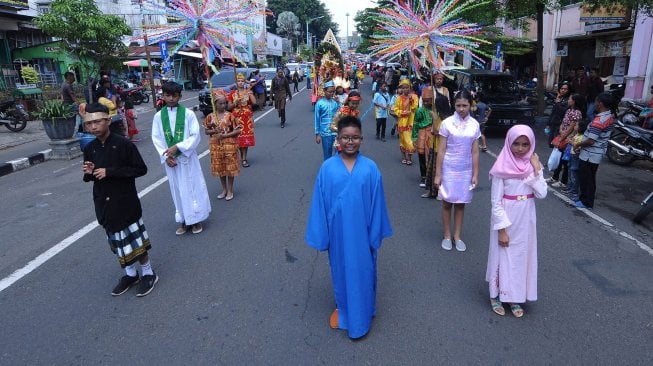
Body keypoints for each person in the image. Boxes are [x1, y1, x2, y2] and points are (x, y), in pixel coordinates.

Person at [305, 115, 393, 339]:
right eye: (345, 137)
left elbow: (377, 204)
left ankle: (365, 309)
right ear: (338, 139)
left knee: (365, 271)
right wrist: (322, 236)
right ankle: (343, 309)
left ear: (362, 139)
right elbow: (319, 205)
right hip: (339, 235)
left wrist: (374, 235)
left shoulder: (371, 169)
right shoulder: (327, 169)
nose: (350, 142)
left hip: (363, 234)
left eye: (355, 138)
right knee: (341, 270)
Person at [81, 103, 158, 297]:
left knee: (135, 242)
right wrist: (89, 172)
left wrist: (110, 171)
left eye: (97, 122)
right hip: (104, 203)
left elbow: (140, 169)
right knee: (117, 242)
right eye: (89, 124)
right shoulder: (90, 148)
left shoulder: (124, 144)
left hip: (125, 201)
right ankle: (130, 274)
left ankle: (148, 272)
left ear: (108, 121)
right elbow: (91, 176)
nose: (93, 127)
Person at [486, 125, 547, 318]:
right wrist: (502, 229)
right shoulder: (501, 167)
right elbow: (495, 202)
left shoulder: (532, 166)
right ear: (509, 143)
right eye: (516, 144)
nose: (520, 149)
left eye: (525, 144)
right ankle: (496, 294)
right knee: (502, 253)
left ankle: (514, 296)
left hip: (526, 217)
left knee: (521, 256)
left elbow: (542, 193)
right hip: (506, 216)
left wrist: (536, 170)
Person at [152, 81, 211, 234]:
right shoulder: (159, 116)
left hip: (187, 158)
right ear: (163, 96)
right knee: (177, 189)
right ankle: (184, 220)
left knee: (192, 187)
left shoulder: (188, 114)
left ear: (179, 96)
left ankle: (196, 219)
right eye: (167, 95)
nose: (171, 98)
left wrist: (178, 147)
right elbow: (156, 138)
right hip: (171, 161)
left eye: (174, 95)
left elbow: (195, 135)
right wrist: (165, 157)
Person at [434, 90, 480, 252]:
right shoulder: (446, 123)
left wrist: (475, 173)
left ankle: (457, 236)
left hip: (465, 169)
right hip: (448, 167)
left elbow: (475, 151)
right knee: (447, 203)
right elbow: (441, 150)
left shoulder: (475, 125)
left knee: (461, 204)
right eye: (458, 105)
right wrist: (438, 174)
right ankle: (447, 235)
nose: (461, 109)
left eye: (465, 105)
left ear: (470, 105)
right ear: (454, 105)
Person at [573, 92, 616, 209]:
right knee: (589, 178)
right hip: (596, 153)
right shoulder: (609, 116)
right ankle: (584, 199)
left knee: (587, 179)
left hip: (590, 154)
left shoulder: (599, 121)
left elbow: (591, 141)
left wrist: (577, 144)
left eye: (596, 101)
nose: (595, 104)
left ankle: (586, 202)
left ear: (600, 104)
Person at [204, 89, 242, 201]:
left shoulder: (230, 116)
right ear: (214, 104)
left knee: (229, 168)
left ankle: (230, 190)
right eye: (220, 103)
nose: (223, 105)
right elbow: (206, 131)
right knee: (220, 168)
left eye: (225, 103)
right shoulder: (210, 117)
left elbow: (238, 130)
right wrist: (214, 130)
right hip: (216, 146)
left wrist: (225, 136)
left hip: (229, 145)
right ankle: (224, 189)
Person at [549, 93, 586, 189]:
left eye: (570, 99)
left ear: (574, 101)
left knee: (565, 160)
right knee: (560, 158)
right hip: (563, 135)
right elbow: (563, 122)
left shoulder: (577, 113)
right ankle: (555, 177)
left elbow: (571, 128)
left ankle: (563, 181)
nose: (568, 100)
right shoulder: (569, 110)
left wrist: (562, 137)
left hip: (568, 139)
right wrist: (561, 130)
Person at [228, 73, 257, 164]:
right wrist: (235, 103)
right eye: (238, 81)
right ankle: (241, 155)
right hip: (236, 118)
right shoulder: (232, 93)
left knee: (246, 139)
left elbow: (254, 102)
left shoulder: (247, 91)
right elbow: (229, 107)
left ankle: (244, 158)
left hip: (246, 118)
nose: (240, 83)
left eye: (242, 81)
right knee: (238, 139)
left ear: (244, 82)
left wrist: (250, 93)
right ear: (236, 83)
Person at [412, 86, 435, 188]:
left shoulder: (435, 110)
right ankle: (423, 176)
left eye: (428, 101)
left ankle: (431, 175)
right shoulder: (419, 111)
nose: (426, 103)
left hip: (432, 134)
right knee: (421, 155)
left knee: (432, 155)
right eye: (424, 101)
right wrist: (414, 138)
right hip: (422, 133)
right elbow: (416, 124)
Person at [393, 78, 418, 165]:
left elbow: (415, 108)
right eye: (403, 88)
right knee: (402, 140)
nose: (404, 89)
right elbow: (395, 109)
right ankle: (404, 157)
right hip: (401, 122)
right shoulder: (399, 98)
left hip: (410, 122)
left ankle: (409, 157)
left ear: (410, 87)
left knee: (409, 140)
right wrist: (402, 112)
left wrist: (410, 100)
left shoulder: (414, 97)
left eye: (406, 87)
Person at [314, 80, 340, 160]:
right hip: (325, 132)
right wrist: (317, 134)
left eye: (333, 92)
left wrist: (338, 103)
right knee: (327, 153)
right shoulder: (319, 103)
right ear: (324, 91)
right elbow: (317, 119)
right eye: (329, 92)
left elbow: (340, 114)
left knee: (338, 152)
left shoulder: (335, 102)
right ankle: (327, 169)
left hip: (336, 131)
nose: (331, 94)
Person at [565, 119, 587, 202]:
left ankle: (574, 192)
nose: (574, 126)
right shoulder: (577, 134)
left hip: (576, 156)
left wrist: (571, 142)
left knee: (574, 173)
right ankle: (570, 188)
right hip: (572, 155)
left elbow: (577, 146)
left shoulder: (582, 137)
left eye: (576, 125)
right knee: (571, 172)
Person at [545, 83, 570, 147]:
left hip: (561, 124)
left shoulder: (568, 100)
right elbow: (553, 112)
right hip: (553, 122)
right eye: (562, 88)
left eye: (565, 89)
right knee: (551, 142)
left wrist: (558, 103)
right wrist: (548, 123)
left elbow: (564, 111)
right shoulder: (558, 98)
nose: (563, 90)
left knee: (557, 143)